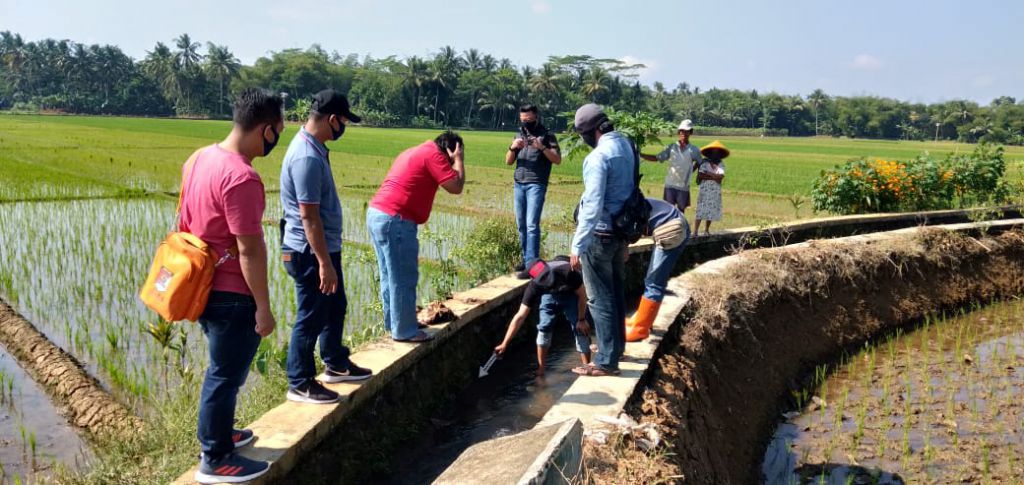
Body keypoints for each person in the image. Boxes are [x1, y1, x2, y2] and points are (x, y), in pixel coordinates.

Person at [179, 88, 282, 484]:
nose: (276, 140)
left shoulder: (200, 157)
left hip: (203, 284)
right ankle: (216, 456)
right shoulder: (242, 177)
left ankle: (221, 433)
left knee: (223, 369)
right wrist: (264, 308)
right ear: (265, 129)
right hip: (231, 295)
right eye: (277, 132)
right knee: (224, 374)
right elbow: (250, 251)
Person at [279, 90, 373, 405]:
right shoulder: (306, 156)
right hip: (308, 252)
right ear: (332, 120)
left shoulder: (315, 148)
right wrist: (323, 262)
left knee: (335, 305)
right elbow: (309, 215)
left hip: (320, 248)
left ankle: (335, 362)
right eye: (344, 121)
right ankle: (300, 382)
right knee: (312, 315)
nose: (343, 127)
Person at [367, 131, 466, 343]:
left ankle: (396, 325)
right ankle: (404, 331)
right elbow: (456, 187)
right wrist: (459, 160)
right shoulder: (435, 155)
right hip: (396, 220)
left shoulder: (415, 151)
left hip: (378, 214)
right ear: (450, 150)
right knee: (403, 277)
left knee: (389, 276)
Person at [569, 103, 635, 377]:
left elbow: (593, 205)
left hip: (600, 234)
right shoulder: (627, 146)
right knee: (616, 291)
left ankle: (607, 361)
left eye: (583, 133)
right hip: (620, 233)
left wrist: (577, 245)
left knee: (598, 297)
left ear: (593, 131)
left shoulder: (598, 157)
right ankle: (615, 347)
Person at [494, 257, 591, 375]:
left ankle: (587, 367)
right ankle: (541, 370)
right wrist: (505, 343)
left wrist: (581, 319)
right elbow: (520, 315)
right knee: (544, 326)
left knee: (580, 327)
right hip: (549, 295)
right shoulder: (534, 286)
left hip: (571, 293)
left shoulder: (568, 271)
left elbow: (582, 295)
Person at [506, 104, 562, 278]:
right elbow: (508, 161)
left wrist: (542, 147)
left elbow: (558, 159)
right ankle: (526, 260)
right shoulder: (519, 134)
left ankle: (532, 265)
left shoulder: (547, 136)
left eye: (529, 120)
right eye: (523, 120)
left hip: (536, 184)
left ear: (536, 117)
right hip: (518, 183)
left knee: (531, 225)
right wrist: (513, 147)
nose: (526, 123)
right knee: (521, 224)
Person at [624, 198, 690, 342]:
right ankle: (644, 321)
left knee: (654, 283)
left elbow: (630, 231)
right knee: (653, 280)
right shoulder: (626, 200)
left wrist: (623, 247)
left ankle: (640, 329)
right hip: (677, 222)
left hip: (669, 228)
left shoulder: (619, 208)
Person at [640, 120, 701, 214]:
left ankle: (680, 228)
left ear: (691, 132)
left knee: (681, 211)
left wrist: (693, 171)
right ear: (679, 132)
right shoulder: (672, 147)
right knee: (668, 210)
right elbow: (658, 158)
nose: (684, 133)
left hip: (683, 186)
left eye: (687, 131)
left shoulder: (694, 150)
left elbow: (700, 162)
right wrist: (641, 155)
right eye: (682, 131)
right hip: (670, 184)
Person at [694, 140, 729, 235]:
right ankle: (695, 231)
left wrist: (708, 173)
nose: (715, 153)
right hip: (704, 189)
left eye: (717, 152)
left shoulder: (721, 164)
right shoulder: (704, 162)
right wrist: (714, 175)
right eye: (713, 151)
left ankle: (706, 230)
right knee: (700, 209)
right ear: (710, 152)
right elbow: (701, 175)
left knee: (711, 210)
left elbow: (720, 178)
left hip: (715, 190)